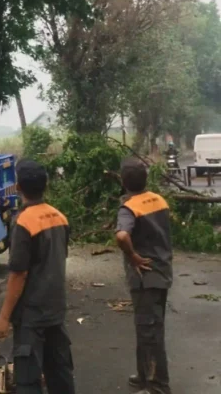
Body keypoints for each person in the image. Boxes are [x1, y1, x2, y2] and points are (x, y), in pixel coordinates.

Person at [0, 159, 75, 394]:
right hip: (55, 310)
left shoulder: (23, 223)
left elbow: (19, 274)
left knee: (28, 379)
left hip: (32, 315)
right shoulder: (60, 217)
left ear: (18, 187)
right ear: (45, 186)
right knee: (60, 373)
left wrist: (4, 316)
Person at [115, 157, 173, 394]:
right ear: (146, 178)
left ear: (123, 181)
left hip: (145, 277)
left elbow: (121, 236)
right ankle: (143, 375)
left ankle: (158, 385)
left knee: (149, 331)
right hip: (163, 272)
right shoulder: (159, 200)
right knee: (149, 327)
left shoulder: (130, 207)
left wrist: (134, 257)